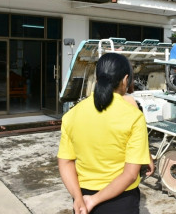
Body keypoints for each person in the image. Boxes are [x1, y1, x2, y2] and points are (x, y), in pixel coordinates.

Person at [57, 53, 154, 214]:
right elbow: (130, 174)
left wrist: (79, 198)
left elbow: (65, 163)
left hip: (82, 200)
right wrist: (94, 200)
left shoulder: (71, 115)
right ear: (125, 80)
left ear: (97, 78)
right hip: (121, 200)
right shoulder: (133, 116)